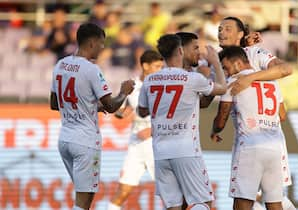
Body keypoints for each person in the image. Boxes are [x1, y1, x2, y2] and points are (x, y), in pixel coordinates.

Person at [50, 23, 135, 210]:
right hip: (85, 141)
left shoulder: (60, 64)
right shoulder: (91, 69)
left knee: (82, 198)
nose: (102, 48)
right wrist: (123, 92)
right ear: (92, 43)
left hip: (65, 139)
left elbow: (55, 104)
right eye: (101, 43)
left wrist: (91, 106)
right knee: (83, 202)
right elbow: (112, 106)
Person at [138, 34, 227, 210]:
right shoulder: (192, 79)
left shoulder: (149, 80)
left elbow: (142, 111)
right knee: (203, 202)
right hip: (186, 150)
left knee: (173, 206)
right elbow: (222, 88)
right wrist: (216, 62)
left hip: (160, 152)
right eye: (194, 48)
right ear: (180, 50)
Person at [211, 46, 289, 210]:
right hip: (274, 147)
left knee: (242, 203)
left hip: (250, 147)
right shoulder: (272, 82)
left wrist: (215, 131)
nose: (226, 72)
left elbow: (221, 120)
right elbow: (282, 115)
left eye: (226, 67)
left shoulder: (234, 83)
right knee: (275, 203)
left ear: (238, 64)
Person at [107, 50, 164, 210]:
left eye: (161, 66)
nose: (160, 70)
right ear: (145, 66)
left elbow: (172, 115)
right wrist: (120, 113)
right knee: (123, 190)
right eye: (157, 66)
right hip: (136, 144)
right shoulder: (131, 85)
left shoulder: (164, 86)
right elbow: (123, 112)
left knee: (168, 192)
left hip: (157, 143)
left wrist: (152, 130)